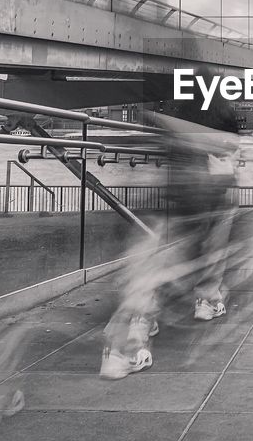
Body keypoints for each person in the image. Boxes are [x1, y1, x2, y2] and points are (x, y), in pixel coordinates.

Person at [99, 67, 242, 380]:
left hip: (176, 196)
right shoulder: (225, 113)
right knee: (210, 248)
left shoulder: (178, 110)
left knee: (157, 263)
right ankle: (205, 300)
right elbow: (232, 149)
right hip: (211, 195)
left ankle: (138, 325)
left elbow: (164, 143)